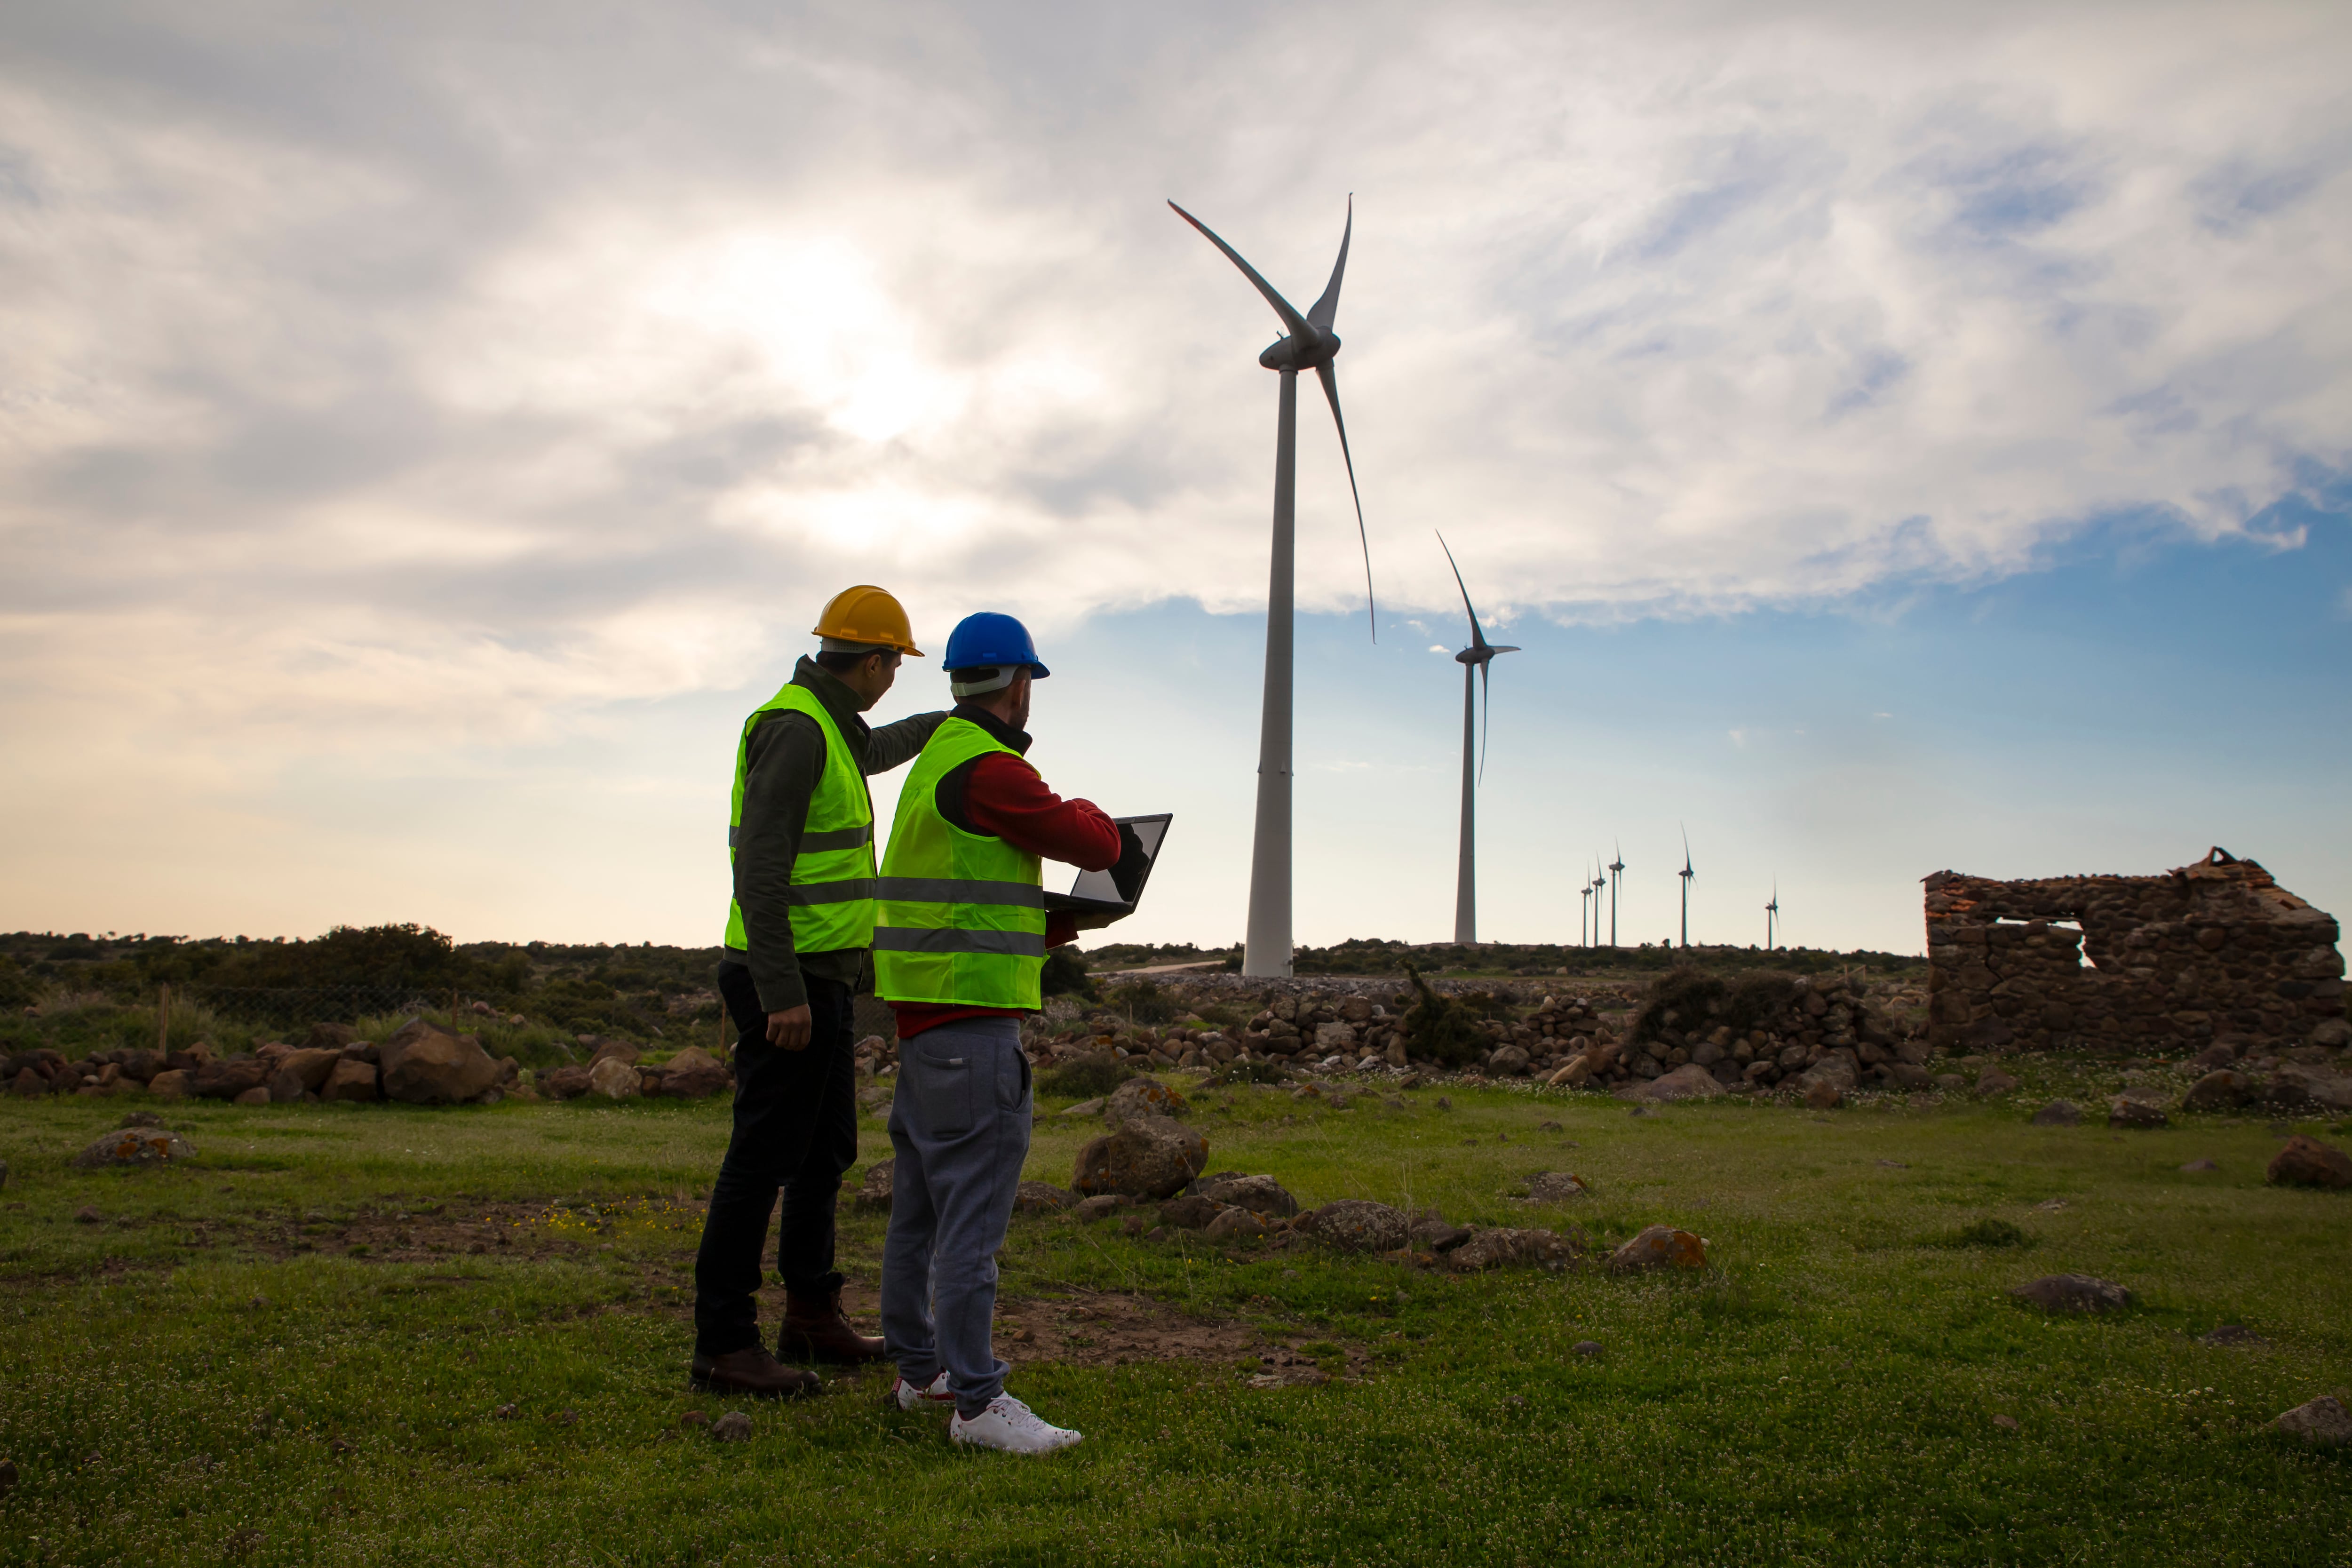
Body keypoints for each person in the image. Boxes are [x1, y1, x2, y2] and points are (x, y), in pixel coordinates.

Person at [872, 612, 1122, 1454]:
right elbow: (1095, 840)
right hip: (972, 1031)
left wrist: (1049, 928)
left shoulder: (935, 762)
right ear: (1019, 683)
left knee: (919, 1216)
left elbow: (957, 899)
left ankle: (921, 1372)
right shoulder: (992, 768)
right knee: (971, 1229)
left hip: (926, 1026)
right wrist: (1095, 813)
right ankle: (978, 1402)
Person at [689, 585, 947, 1398]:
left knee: (825, 1149)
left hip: (822, 979)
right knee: (761, 1159)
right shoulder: (799, 729)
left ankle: (810, 1312)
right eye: (895, 666)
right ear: (872, 662)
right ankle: (725, 1343)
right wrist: (781, 991)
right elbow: (760, 870)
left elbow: (880, 747)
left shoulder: (831, 727)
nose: (895, 680)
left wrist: (950, 724)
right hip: (789, 982)